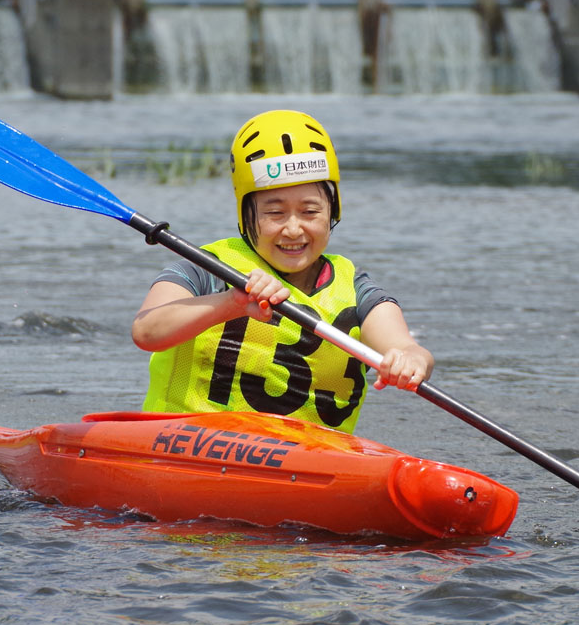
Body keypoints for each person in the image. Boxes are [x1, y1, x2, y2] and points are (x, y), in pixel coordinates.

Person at [132, 109, 433, 434]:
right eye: (274, 212)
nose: (293, 229)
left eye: (310, 211)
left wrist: (411, 362)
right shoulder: (207, 268)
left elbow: (404, 346)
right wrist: (230, 304)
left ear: (333, 211)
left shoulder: (356, 288)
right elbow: (147, 331)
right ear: (247, 214)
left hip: (305, 464)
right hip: (187, 448)